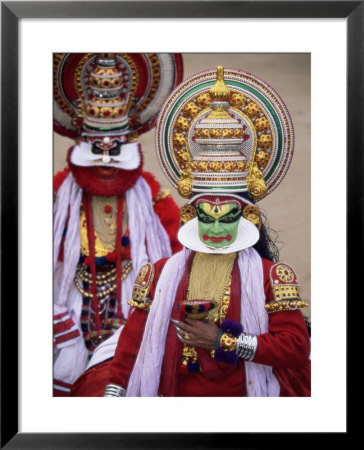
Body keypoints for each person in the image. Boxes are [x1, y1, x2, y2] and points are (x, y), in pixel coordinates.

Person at [78, 65, 310, 397]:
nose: (216, 228)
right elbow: (133, 341)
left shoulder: (271, 276)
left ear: (249, 216)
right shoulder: (158, 274)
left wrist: (223, 341)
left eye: (227, 217)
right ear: (190, 214)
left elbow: (295, 348)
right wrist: (115, 392)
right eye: (207, 216)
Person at [53, 53, 183, 396]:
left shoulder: (154, 198)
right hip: (63, 315)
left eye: (117, 149)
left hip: (131, 317)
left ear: (130, 143)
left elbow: (176, 262)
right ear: (81, 142)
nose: (107, 159)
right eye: (96, 148)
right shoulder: (54, 197)